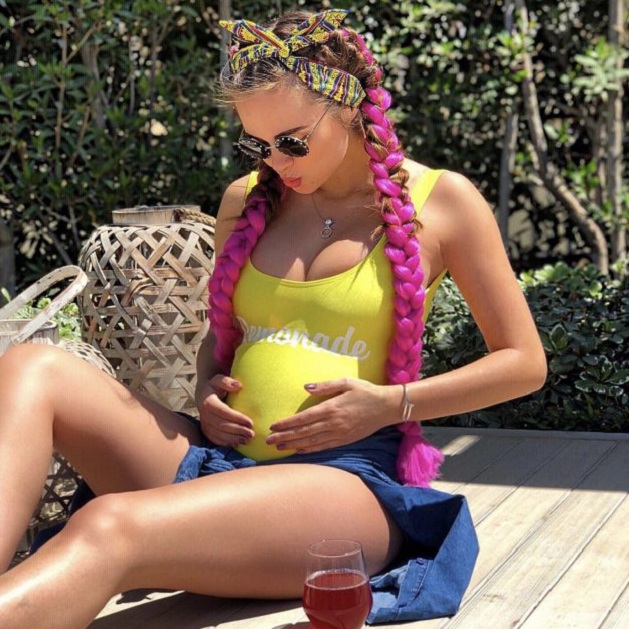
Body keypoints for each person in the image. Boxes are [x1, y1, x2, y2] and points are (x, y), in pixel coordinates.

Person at [0, 9, 547, 628]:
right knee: (33, 367)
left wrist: (391, 404)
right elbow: (222, 336)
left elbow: (524, 364)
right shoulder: (248, 199)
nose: (277, 161)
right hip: (217, 461)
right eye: (257, 145)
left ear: (348, 106)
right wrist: (205, 388)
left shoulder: (443, 203)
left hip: (341, 482)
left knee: (108, 522)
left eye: (292, 141)